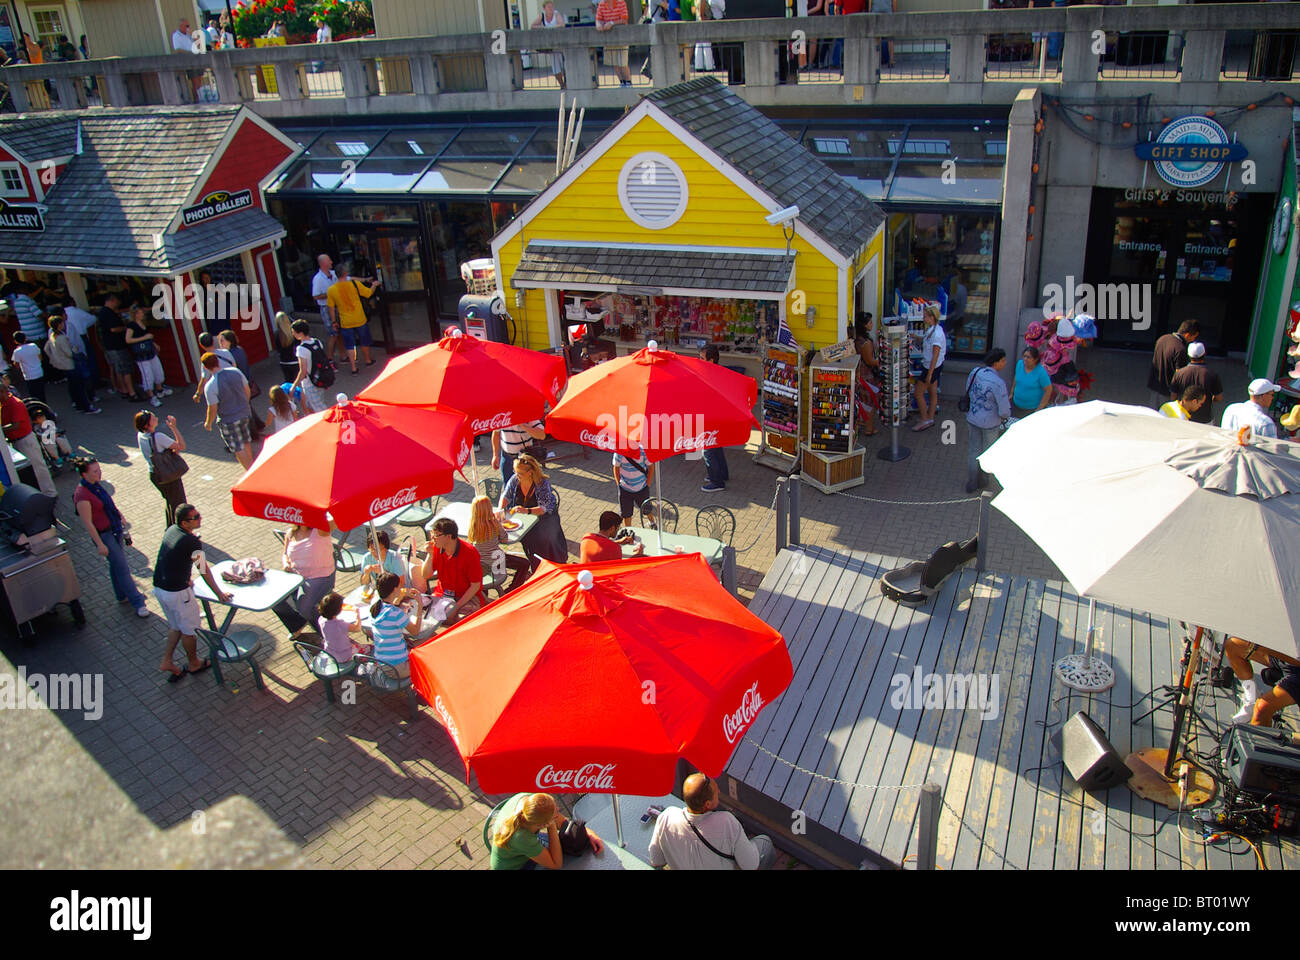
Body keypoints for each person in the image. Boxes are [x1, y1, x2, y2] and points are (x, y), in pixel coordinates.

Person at [153, 503, 227, 681]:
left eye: (198, 514)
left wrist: (183, 577)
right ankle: (194, 663)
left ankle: (167, 661)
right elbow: (203, 569)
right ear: (185, 523)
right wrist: (219, 594)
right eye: (195, 517)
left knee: (176, 626)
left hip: (160, 588)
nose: (199, 518)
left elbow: (170, 558)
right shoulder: (192, 541)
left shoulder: (171, 530)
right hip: (178, 593)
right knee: (190, 630)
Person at [648, 772, 775, 870]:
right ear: (707, 804)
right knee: (765, 843)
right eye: (716, 792)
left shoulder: (667, 817)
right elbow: (750, 865)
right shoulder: (727, 822)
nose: (719, 791)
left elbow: (656, 860)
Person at [74, 458, 150, 619]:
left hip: (114, 530)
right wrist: (100, 544)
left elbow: (109, 504)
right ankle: (138, 602)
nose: (99, 473)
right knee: (122, 568)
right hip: (105, 535)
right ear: (84, 474)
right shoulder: (82, 495)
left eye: (99, 469)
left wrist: (120, 516)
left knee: (116, 565)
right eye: (94, 471)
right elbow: (88, 523)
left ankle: (121, 595)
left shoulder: (95, 486)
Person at [487, 792, 605, 870]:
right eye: (554, 814)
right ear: (541, 824)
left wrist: (589, 834)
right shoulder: (521, 837)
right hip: (516, 866)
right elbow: (556, 864)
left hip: (523, 848)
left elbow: (563, 822)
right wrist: (552, 827)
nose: (558, 809)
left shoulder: (532, 801)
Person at [499, 453, 568, 570]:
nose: (517, 475)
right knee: (526, 539)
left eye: (520, 473)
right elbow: (505, 496)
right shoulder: (515, 480)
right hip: (526, 517)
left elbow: (543, 509)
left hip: (546, 518)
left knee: (545, 539)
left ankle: (554, 567)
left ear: (530, 472)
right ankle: (536, 566)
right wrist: (500, 510)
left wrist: (525, 510)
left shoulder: (542, 484)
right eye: (516, 472)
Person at [418, 517, 485, 624]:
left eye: (436, 535)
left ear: (449, 536)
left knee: (463, 620)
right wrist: (430, 555)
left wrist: (456, 607)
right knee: (424, 615)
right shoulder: (436, 547)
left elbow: (475, 586)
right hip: (443, 594)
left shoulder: (470, 553)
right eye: (432, 534)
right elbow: (425, 575)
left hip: (465, 597)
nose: (432, 538)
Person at [963, 348, 1011, 493]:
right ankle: (984, 480)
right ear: (996, 363)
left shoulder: (975, 372)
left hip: (973, 416)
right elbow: (1004, 410)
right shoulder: (998, 383)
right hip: (990, 422)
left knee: (974, 450)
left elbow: (968, 390)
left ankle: (972, 482)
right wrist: (1005, 417)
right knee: (988, 451)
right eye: (1003, 360)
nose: (1005, 363)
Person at [1224, 637, 1300, 726]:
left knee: (1262, 709)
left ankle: (1261, 738)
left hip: (1295, 663)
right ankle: (1251, 700)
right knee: (1233, 645)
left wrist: (1259, 646)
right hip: (1286, 653)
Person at [279, 521, 337, 633]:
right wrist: (285, 563)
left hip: (320, 576)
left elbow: (337, 521)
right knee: (277, 600)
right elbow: (285, 554)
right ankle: (297, 624)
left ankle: (327, 629)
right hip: (296, 577)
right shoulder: (290, 533)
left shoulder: (320, 530)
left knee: (305, 609)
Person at [0, 380, 56, 497]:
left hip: (25, 440)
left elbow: (16, 425)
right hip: (17, 441)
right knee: (30, 471)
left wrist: (1, 431)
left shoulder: (15, 403)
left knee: (38, 468)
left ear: (3, 392)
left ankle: (50, 494)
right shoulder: (4, 404)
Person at [201, 351, 255, 469]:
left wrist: (208, 423)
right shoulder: (235, 372)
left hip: (229, 419)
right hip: (245, 413)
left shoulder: (210, 386)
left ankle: (250, 471)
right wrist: (245, 404)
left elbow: (213, 408)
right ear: (217, 360)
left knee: (237, 448)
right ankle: (252, 467)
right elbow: (247, 389)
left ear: (205, 367)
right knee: (246, 441)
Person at [467, 494, 531, 592]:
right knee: (524, 564)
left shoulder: (473, 526)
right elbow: (505, 539)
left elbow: (471, 542)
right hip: (496, 561)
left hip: (480, 563)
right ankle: (511, 590)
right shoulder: (494, 524)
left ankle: (484, 597)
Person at [135, 410, 188, 527]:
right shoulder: (158, 437)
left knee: (170, 501)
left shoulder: (141, 435)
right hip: (168, 475)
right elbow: (181, 446)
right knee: (179, 505)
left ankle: (171, 527)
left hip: (155, 474)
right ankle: (181, 531)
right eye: (153, 418)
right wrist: (174, 428)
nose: (156, 418)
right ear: (146, 425)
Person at [326, 263, 379, 375]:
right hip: (359, 318)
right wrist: (374, 285)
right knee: (364, 340)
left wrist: (334, 321)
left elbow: (331, 308)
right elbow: (368, 293)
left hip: (346, 322)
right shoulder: (354, 284)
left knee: (350, 344)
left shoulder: (331, 290)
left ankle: (354, 367)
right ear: (346, 273)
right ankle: (368, 360)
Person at [368, 572, 421, 678]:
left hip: (383, 663)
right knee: (426, 656)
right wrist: (420, 605)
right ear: (394, 589)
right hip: (398, 668)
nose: (401, 587)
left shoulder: (375, 607)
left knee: (413, 644)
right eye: (399, 585)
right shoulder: (396, 613)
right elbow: (415, 631)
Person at [45, 313, 98, 413]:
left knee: (73, 386)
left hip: (62, 365)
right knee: (79, 387)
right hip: (70, 364)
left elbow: (46, 349)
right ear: (59, 324)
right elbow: (69, 353)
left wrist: (56, 357)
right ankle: (86, 407)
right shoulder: (62, 337)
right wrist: (75, 349)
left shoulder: (52, 336)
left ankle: (78, 405)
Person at [97, 292, 140, 401]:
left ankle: (123, 390)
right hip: (116, 346)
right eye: (117, 301)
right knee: (125, 369)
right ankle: (131, 393)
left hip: (109, 346)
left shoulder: (104, 312)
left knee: (118, 369)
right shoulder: (108, 313)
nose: (118, 303)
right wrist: (126, 328)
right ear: (112, 300)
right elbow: (114, 329)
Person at [1168, 341, 1223, 426]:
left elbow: (1173, 396)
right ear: (1204, 355)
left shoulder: (1179, 373)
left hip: (1184, 418)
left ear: (1189, 356)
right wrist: (1208, 400)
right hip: (1205, 419)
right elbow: (1219, 398)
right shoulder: (1212, 374)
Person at [124, 305, 169, 407]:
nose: (142, 314)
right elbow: (128, 340)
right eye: (140, 313)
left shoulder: (143, 323)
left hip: (150, 351)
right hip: (141, 355)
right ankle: (151, 396)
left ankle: (159, 389)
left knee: (158, 370)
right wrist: (144, 338)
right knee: (147, 375)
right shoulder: (131, 325)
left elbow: (147, 336)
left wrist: (153, 343)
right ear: (135, 314)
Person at [1147, 320, 1198, 409]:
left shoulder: (1162, 339)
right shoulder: (1180, 349)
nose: (1193, 340)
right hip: (1168, 393)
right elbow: (1179, 376)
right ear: (1187, 335)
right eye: (1194, 337)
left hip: (1154, 386)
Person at [699, 344, 729, 492]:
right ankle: (722, 474)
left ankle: (717, 481)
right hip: (718, 416)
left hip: (711, 417)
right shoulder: (717, 372)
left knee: (708, 450)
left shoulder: (710, 375)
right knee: (716, 445)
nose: (699, 360)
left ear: (711, 360)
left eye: (702, 358)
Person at [911, 304, 945, 431]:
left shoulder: (936, 335)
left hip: (930, 368)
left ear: (932, 317)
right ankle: (930, 418)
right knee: (932, 392)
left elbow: (935, 354)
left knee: (918, 393)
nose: (923, 318)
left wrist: (929, 374)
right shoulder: (934, 329)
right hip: (935, 367)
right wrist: (916, 337)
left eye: (925, 316)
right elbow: (926, 340)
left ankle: (924, 419)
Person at [290, 319, 333, 414]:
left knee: (320, 408)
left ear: (300, 333)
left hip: (310, 383)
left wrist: (293, 386)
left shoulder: (301, 349)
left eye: (294, 332)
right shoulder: (317, 342)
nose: (293, 334)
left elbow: (303, 371)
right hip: (320, 378)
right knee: (310, 405)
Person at [491, 418, 546, 489]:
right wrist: (495, 455)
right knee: (508, 487)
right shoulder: (502, 417)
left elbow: (542, 435)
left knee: (528, 488)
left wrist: (523, 426)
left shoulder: (527, 415)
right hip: (507, 458)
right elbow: (496, 434)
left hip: (525, 460)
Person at [317, 591, 368, 663]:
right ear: (338, 610)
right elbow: (357, 628)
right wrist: (357, 615)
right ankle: (361, 662)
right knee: (369, 648)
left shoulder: (321, 620)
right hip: (345, 655)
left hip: (331, 653)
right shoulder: (340, 624)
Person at [613, 440, 655, 528]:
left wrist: (647, 484)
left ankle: (652, 523)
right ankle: (629, 530)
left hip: (642, 488)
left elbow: (651, 467)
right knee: (626, 514)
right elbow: (616, 469)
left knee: (647, 509)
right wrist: (619, 484)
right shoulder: (619, 452)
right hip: (625, 489)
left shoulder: (643, 451)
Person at [852, 317, 880, 439]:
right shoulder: (866, 343)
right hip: (866, 375)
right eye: (869, 322)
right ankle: (869, 428)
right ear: (864, 325)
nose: (872, 324)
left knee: (863, 401)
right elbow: (870, 361)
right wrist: (882, 360)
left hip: (859, 373)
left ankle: (864, 423)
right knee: (870, 401)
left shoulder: (857, 340)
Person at [311, 254, 342, 361]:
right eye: (329, 260)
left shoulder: (333, 274)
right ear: (323, 263)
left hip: (337, 306)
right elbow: (315, 296)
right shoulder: (318, 279)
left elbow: (346, 278)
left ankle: (343, 356)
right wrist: (330, 294)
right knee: (333, 334)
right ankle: (329, 359)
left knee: (339, 333)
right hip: (326, 308)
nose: (331, 262)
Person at [595, 0, 632, 86]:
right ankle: (622, 82)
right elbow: (598, 19)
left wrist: (612, 23)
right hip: (609, 39)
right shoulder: (601, 4)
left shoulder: (621, 2)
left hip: (622, 38)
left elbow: (624, 19)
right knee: (614, 63)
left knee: (623, 62)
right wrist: (599, 25)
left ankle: (628, 82)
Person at [531, 0, 566, 89]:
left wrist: (550, 27)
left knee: (564, 64)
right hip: (550, 45)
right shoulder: (542, 15)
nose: (551, 9)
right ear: (544, 8)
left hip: (560, 43)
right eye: (548, 7)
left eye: (552, 7)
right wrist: (542, 27)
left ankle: (567, 82)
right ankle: (562, 84)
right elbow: (532, 26)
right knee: (555, 66)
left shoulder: (556, 14)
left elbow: (562, 24)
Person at [1010, 345, 1052, 417]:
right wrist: (1011, 393)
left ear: (1035, 359)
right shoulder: (1019, 364)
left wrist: (1040, 408)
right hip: (1016, 405)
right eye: (1024, 356)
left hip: (1031, 409)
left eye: (1028, 357)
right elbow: (1016, 379)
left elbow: (1048, 390)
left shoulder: (1041, 372)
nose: (1025, 359)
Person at [11, 331, 44, 401]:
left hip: (29, 375)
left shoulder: (17, 351)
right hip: (39, 372)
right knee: (42, 393)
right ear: (25, 338)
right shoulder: (34, 345)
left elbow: (16, 365)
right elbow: (40, 358)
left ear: (15, 341)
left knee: (34, 394)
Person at [273, 311, 299, 383]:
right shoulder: (294, 332)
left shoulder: (276, 334)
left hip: (284, 362)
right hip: (295, 361)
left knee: (289, 384)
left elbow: (278, 349)